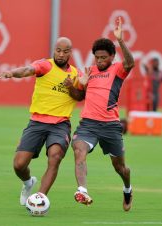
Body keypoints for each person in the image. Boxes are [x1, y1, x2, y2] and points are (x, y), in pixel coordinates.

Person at [0, 37, 85, 206]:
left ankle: (39, 199)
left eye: (65, 52)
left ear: (70, 53)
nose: (61, 54)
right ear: (54, 50)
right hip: (37, 122)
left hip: (60, 124)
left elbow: (81, 97)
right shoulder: (46, 65)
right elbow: (27, 70)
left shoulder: (76, 74)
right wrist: (12, 73)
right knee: (19, 164)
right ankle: (28, 182)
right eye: (58, 50)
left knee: (55, 157)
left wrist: (70, 87)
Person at [67, 17, 135, 211]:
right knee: (79, 150)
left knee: (120, 168)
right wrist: (78, 84)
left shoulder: (117, 70)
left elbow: (131, 63)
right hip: (88, 124)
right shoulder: (89, 71)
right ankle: (82, 190)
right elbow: (78, 96)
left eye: (103, 57)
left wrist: (121, 40)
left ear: (112, 56)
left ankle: (128, 188)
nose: (100, 60)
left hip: (111, 126)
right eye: (97, 57)